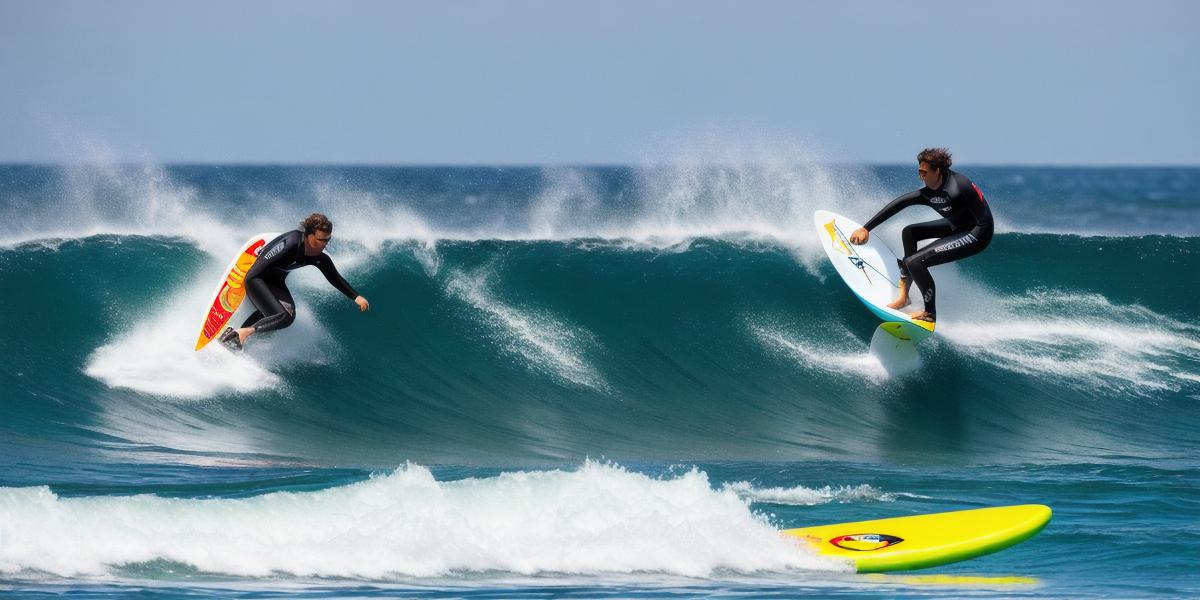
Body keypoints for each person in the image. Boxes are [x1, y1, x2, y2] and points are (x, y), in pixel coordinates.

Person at [848, 148, 992, 323]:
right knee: (910, 232)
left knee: (914, 262)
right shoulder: (929, 192)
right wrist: (866, 228)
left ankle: (929, 314)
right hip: (957, 225)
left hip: (977, 233)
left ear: (937, 171)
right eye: (919, 172)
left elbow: (983, 221)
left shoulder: (959, 187)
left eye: (924, 173)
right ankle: (905, 295)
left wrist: (976, 235)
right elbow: (901, 203)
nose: (921, 177)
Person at [218, 213, 370, 350]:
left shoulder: (319, 257)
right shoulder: (291, 242)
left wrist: (356, 296)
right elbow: (260, 263)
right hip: (257, 278)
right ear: (309, 235)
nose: (324, 244)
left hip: (275, 282)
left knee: (288, 316)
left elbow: (334, 277)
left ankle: (235, 337)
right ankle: (242, 333)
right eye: (321, 240)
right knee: (282, 315)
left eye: (327, 240)